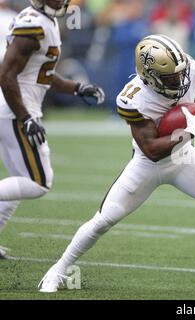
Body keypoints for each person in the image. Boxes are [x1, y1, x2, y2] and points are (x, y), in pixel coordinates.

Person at [37, 34, 195, 292]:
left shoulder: (185, 70)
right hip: (147, 165)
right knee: (104, 220)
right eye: (172, 77)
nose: (180, 80)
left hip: (184, 157)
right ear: (150, 76)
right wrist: (189, 133)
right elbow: (151, 150)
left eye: (180, 73)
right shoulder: (133, 98)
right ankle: (58, 270)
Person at [0, 0, 105, 259]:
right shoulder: (34, 23)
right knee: (39, 183)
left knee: (19, 179)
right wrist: (24, 117)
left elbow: (41, 73)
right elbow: (6, 74)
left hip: (15, 109)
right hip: (16, 111)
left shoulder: (44, 19)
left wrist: (77, 87)